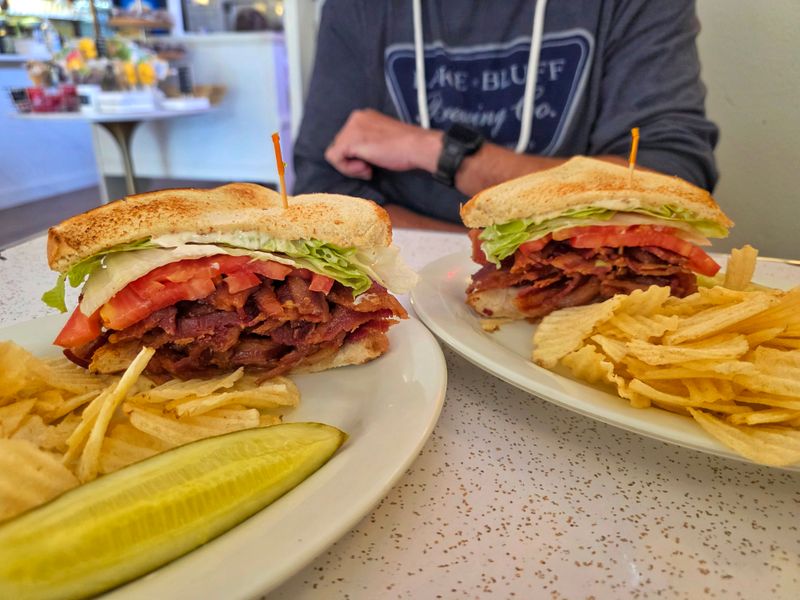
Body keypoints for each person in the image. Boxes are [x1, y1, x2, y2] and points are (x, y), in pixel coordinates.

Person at [293, 0, 719, 229]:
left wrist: (442, 153)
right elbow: (322, 191)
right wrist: (473, 255)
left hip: (588, 293)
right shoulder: (358, 8)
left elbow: (669, 183)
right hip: (405, 294)